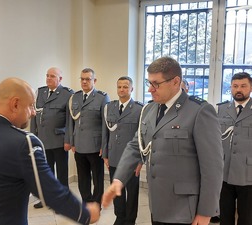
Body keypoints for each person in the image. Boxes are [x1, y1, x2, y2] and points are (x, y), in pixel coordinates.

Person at [0, 78, 100, 225]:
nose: (34, 112)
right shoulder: (24, 143)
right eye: (30, 106)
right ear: (15, 104)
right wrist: (85, 214)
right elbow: (49, 192)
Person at [102, 56, 224, 225]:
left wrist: (206, 211)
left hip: (184, 208)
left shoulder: (199, 111)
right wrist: (118, 179)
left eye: (156, 84)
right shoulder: (150, 109)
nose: (151, 89)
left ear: (175, 82)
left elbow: (213, 167)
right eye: (149, 83)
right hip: (157, 204)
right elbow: (136, 145)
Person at [30, 67, 73, 209]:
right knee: (45, 172)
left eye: (52, 76)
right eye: (47, 75)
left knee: (61, 172)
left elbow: (69, 121)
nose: (48, 78)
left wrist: (68, 140)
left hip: (59, 140)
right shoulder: (40, 92)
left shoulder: (67, 94)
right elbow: (34, 117)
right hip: (42, 140)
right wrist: (32, 137)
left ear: (60, 79)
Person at [102, 76, 143, 225]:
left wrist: (140, 161)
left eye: (125, 87)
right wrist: (105, 154)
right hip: (113, 156)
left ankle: (130, 220)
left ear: (131, 89)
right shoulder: (109, 107)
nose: (122, 89)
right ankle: (120, 217)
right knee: (116, 191)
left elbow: (142, 138)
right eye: (119, 87)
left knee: (132, 192)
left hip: (131, 160)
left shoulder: (139, 109)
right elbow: (105, 132)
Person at [69, 68, 110, 205]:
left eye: (88, 79)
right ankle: (86, 202)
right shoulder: (75, 97)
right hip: (79, 144)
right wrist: (72, 141)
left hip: (95, 146)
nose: (84, 81)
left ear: (94, 80)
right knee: (83, 177)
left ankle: (96, 203)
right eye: (82, 79)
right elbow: (72, 123)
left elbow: (105, 125)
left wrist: (104, 147)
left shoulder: (102, 97)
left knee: (98, 178)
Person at [216, 72, 252, 225]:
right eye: (235, 86)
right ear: (230, 88)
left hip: (248, 174)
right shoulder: (221, 109)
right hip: (225, 173)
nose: (239, 89)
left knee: (247, 218)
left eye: (243, 86)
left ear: (250, 87)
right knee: (225, 217)